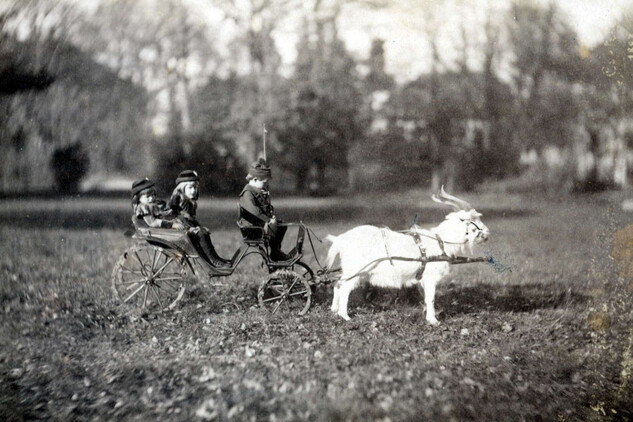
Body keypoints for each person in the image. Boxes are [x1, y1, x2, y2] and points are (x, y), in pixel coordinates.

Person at [169, 170, 231, 268]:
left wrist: (199, 226)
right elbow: (176, 218)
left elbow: (191, 219)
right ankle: (213, 261)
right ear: (182, 188)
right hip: (181, 229)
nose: (193, 191)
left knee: (204, 232)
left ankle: (214, 258)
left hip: (188, 226)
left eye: (195, 187)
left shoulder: (190, 203)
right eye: (190, 188)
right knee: (202, 234)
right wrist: (191, 229)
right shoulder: (178, 201)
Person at [238, 158, 289, 261]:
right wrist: (268, 220)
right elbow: (255, 211)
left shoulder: (256, 192)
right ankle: (275, 253)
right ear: (255, 179)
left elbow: (262, 208)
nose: (266, 185)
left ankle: (275, 251)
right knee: (275, 226)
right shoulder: (247, 193)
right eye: (264, 182)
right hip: (252, 229)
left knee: (282, 225)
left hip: (257, 225)